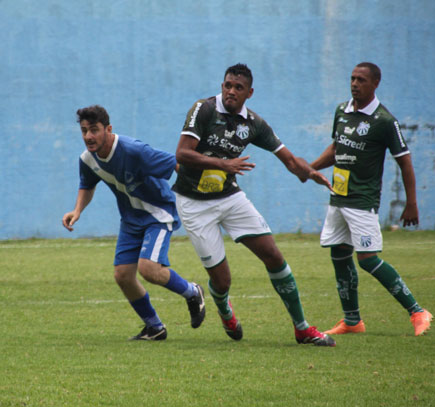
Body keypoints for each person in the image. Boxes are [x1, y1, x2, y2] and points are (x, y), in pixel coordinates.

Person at [173, 63, 335, 346]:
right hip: (194, 204)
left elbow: (287, 158)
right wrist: (223, 163)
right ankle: (225, 310)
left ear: (250, 92)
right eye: (227, 85)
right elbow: (182, 154)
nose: (231, 91)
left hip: (229, 197)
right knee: (222, 282)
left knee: (273, 255)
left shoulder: (254, 124)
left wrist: (308, 173)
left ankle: (302, 328)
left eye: (238, 88)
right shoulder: (204, 109)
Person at [62, 105, 206, 341]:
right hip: (131, 219)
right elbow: (87, 184)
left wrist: (198, 196)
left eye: (94, 130)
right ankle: (154, 327)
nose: (88, 136)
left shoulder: (134, 150)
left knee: (148, 268)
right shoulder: (87, 159)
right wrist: (77, 210)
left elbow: (176, 164)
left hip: (158, 213)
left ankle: (193, 292)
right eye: (84, 130)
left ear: (108, 129)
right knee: (123, 276)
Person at [310, 62, 432, 336]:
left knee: (366, 258)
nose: (355, 84)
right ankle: (352, 321)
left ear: (375, 83)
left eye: (361, 80)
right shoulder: (341, 111)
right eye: (352, 78)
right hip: (338, 197)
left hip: (362, 200)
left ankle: (417, 311)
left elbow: (405, 161)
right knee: (339, 254)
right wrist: (311, 168)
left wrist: (411, 203)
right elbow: (336, 148)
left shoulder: (385, 121)